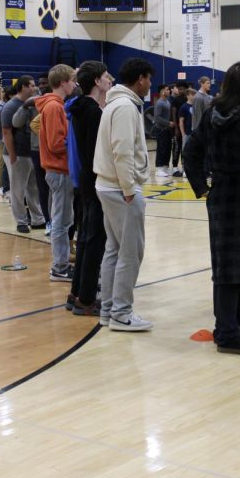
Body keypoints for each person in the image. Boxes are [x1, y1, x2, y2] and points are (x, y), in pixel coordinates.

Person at [185, 61, 240, 354]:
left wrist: (202, 186)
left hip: (221, 194)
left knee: (227, 264)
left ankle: (236, 319)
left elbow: (190, 151)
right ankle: (226, 333)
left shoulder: (213, 113)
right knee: (237, 266)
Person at [94, 57, 154, 332]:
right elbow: (122, 151)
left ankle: (108, 310)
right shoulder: (125, 107)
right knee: (131, 252)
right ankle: (121, 312)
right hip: (120, 188)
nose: (150, 84)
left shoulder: (114, 103)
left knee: (114, 250)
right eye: (149, 79)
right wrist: (130, 189)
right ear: (140, 79)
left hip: (108, 184)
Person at [69, 61, 112, 315]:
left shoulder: (82, 108)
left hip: (86, 178)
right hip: (95, 179)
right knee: (94, 238)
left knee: (86, 237)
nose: (110, 80)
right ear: (96, 81)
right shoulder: (94, 112)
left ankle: (76, 292)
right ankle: (86, 299)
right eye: (106, 76)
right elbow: (99, 152)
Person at [37, 64, 76, 282]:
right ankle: (59, 267)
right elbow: (55, 143)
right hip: (58, 169)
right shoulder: (54, 107)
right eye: (72, 80)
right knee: (61, 221)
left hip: (60, 169)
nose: (74, 84)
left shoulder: (56, 105)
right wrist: (76, 144)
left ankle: (61, 264)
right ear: (63, 82)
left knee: (64, 219)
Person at [2, 76, 45, 234]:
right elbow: (6, 132)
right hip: (17, 153)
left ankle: (37, 219)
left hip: (31, 152)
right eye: (32, 86)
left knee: (33, 187)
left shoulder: (34, 103)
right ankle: (21, 221)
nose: (35, 88)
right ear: (22, 87)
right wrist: (12, 155)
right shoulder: (10, 106)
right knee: (17, 189)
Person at [153, 84, 173, 180]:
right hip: (161, 129)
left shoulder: (167, 102)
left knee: (167, 149)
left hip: (167, 130)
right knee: (161, 148)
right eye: (167, 89)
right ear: (162, 91)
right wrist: (168, 123)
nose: (169, 91)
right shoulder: (159, 103)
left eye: (169, 89)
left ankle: (165, 167)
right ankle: (159, 168)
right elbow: (157, 118)